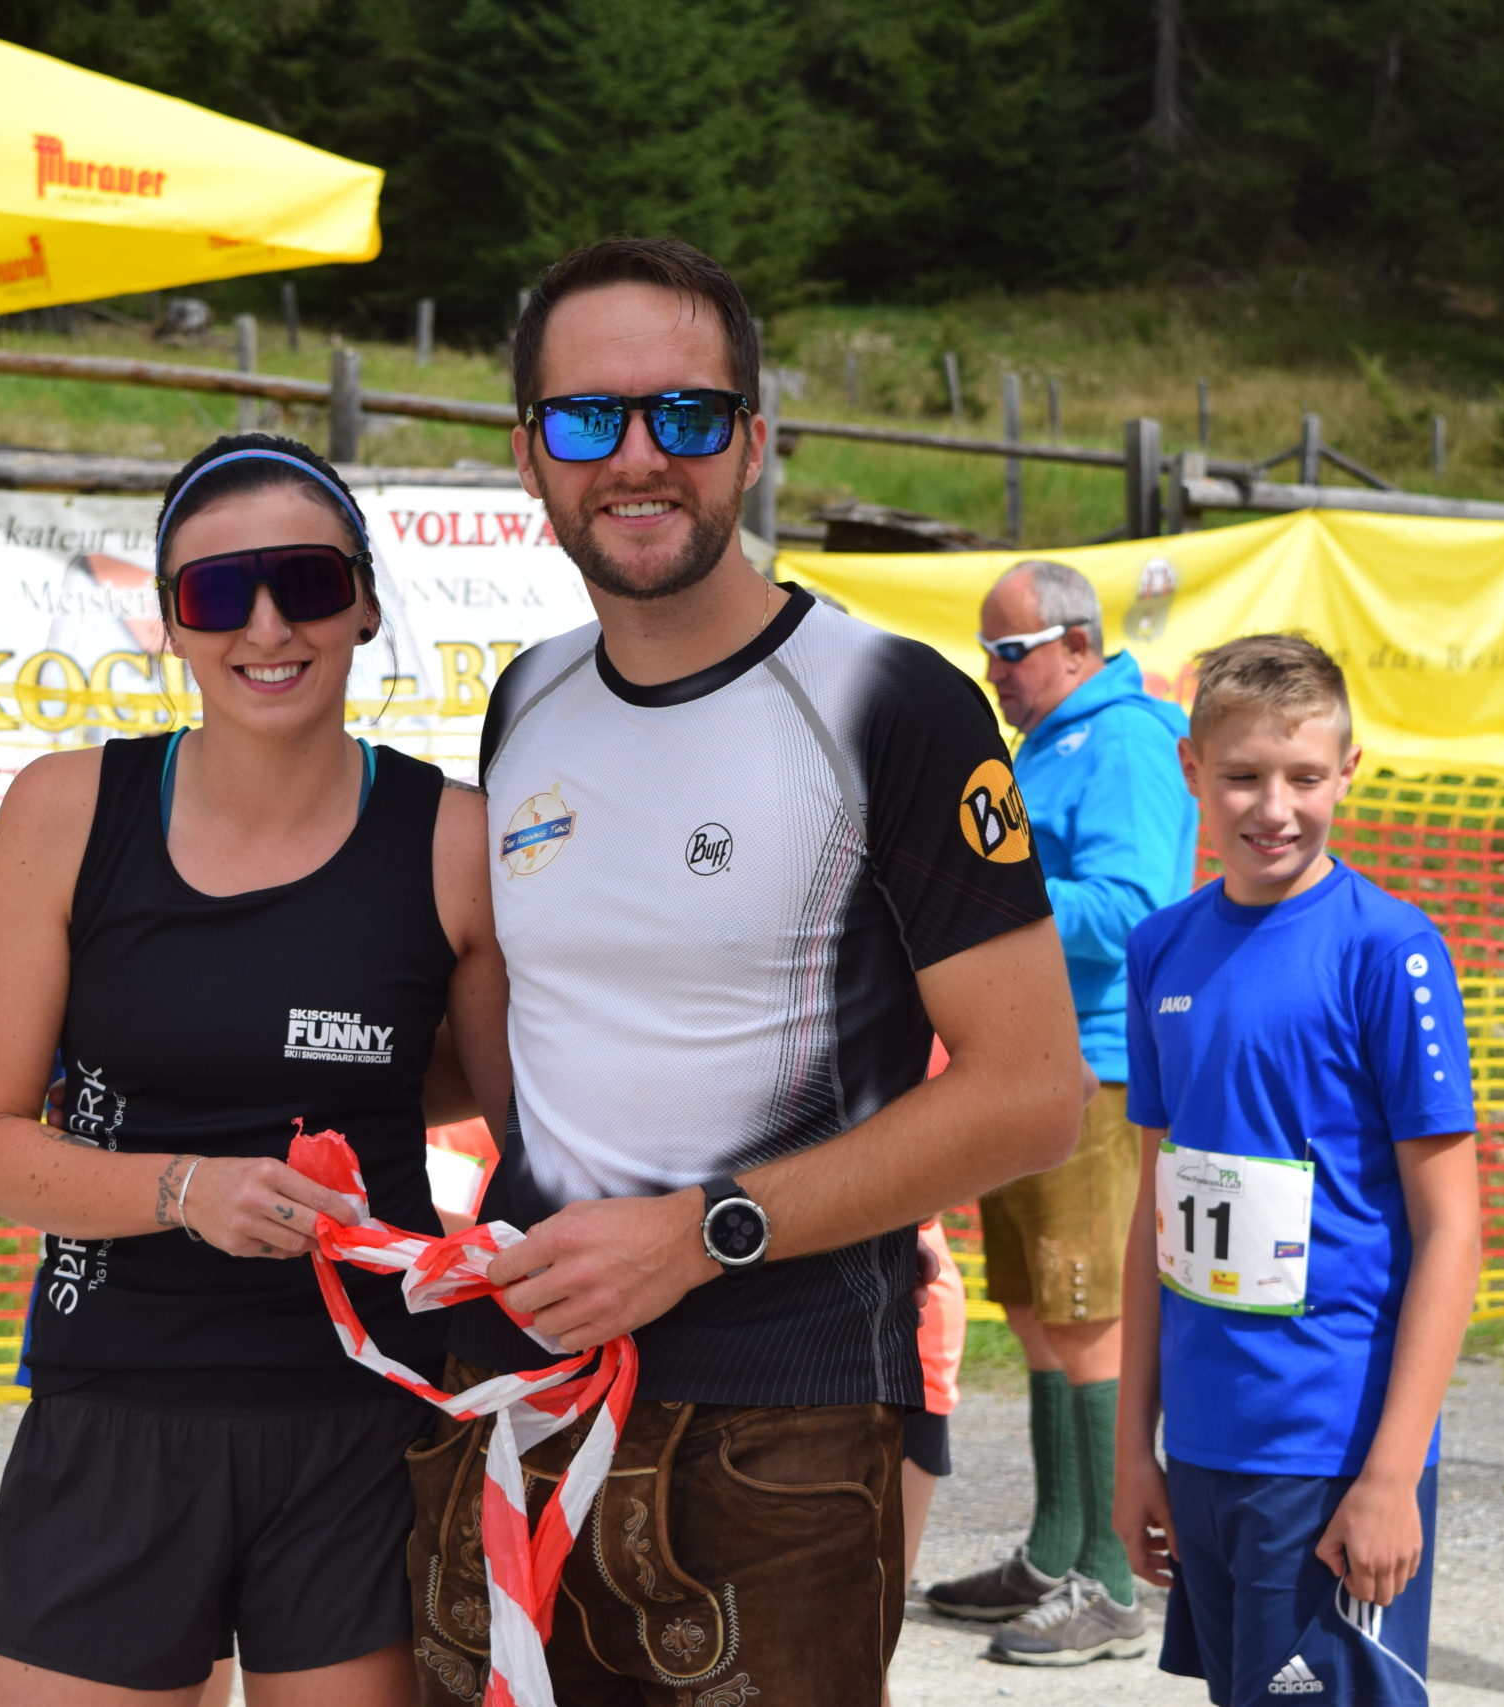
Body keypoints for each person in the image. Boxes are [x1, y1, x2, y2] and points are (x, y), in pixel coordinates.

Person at [406, 236, 1081, 1705]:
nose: (638, 456)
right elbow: (542, 1031)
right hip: (524, 1386)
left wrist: (702, 1232)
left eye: (687, 414)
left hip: (784, 1415)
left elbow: (1037, 1096)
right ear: (528, 455)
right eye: (588, 418)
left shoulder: (891, 700)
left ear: (754, 443)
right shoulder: (529, 696)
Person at [0, 433, 507, 1707]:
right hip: (120, 1402)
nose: (266, 625)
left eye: (306, 581)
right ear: (170, 622)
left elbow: (509, 1106)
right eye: (216, 592)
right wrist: (185, 1189)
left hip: (367, 1417)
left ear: (364, 604)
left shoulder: (455, 840)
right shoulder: (66, 810)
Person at [1114, 635, 1481, 1705]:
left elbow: (1451, 1227)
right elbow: (1154, 1214)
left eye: (1304, 778)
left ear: (1347, 772)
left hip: (1331, 1451)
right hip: (1205, 1446)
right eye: (1242, 776)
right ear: (1192, 770)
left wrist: (1390, 1473)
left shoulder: (1390, 951)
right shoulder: (1160, 948)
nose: (1274, 808)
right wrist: (1134, 1449)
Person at [924, 558, 1194, 1664]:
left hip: (1098, 1066)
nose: (994, 671)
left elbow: (1136, 906)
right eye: (988, 651)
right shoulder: (1055, 739)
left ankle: (1112, 1582)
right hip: (1040, 1059)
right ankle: (1056, 1551)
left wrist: (983, 890)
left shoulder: (1120, 739)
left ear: (1077, 645)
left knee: (1086, 1317)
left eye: (1010, 650)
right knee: (1040, 1311)